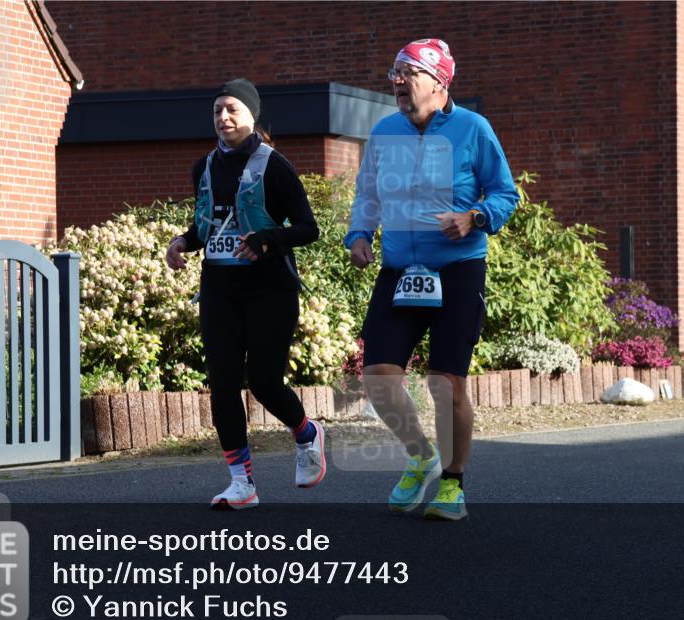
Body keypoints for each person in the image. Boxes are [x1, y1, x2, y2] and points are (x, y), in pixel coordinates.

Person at [345, 40, 518, 520]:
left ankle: (453, 483)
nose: (397, 81)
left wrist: (474, 217)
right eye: (395, 72)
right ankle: (421, 456)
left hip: (458, 269)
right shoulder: (384, 133)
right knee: (378, 378)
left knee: (447, 384)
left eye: (409, 73)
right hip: (401, 270)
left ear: (440, 83)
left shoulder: (472, 129)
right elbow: (368, 193)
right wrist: (359, 234)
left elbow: (506, 193)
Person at [166, 78, 326, 509]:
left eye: (232, 109)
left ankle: (307, 433)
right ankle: (242, 483)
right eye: (218, 110)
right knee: (222, 385)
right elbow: (208, 226)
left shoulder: (274, 164)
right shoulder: (204, 167)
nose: (223, 118)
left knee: (264, 382)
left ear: (251, 114)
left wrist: (267, 238)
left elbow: (309, 229)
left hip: (270, 289)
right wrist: (182, 242)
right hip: (219, 289)